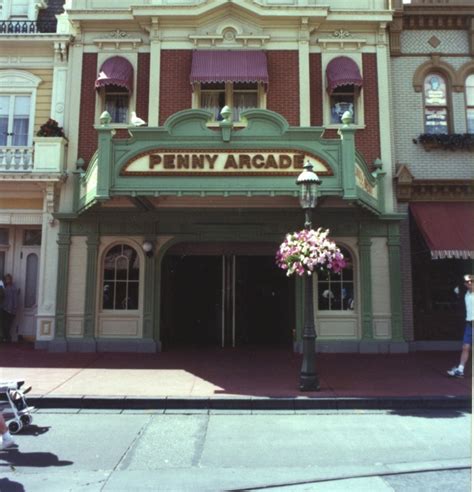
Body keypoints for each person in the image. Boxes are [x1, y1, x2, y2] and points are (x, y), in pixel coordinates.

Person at [447, 274, 474, 378]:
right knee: (465, 347)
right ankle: (460, 369)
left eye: (472, 281)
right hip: (469, 324)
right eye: (468, 282)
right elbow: (455, 290)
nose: (470, 283)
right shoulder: (465, 294)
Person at [1, 274, 18, 343]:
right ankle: (5, 337)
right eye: (6, 279)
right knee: (2, 324)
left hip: (10, 309)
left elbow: (15, 299)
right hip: (3, 308)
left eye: (9, 279)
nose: (7, 280)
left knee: (7, 325)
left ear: (11, 279)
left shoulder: (13, 288)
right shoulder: (3, 287)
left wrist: (15, 307)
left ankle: (8, 338)